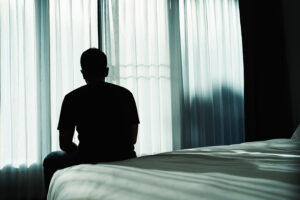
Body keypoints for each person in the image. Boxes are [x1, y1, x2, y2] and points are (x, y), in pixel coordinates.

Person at [43, 48, 139, 191]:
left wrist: (79, 148)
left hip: (89, 159)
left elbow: (64, 143)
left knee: (52, 159)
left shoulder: (72, 98)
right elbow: (132, 139)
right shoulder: (126, 95)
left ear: (83, 73)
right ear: (106, 71)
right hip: (124, 158)